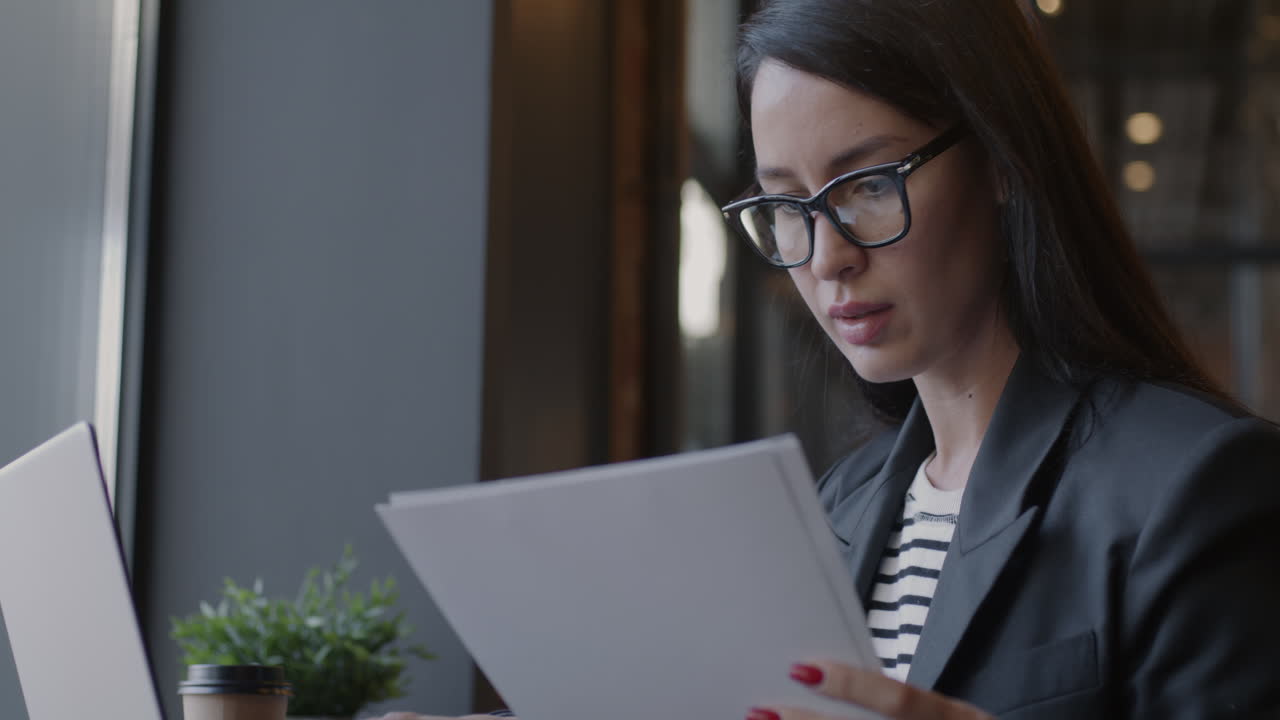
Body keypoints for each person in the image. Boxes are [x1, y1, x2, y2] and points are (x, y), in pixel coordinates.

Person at [378, 0, 1280, 718]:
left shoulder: (1193, 487)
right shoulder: (832, 510)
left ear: (1002, 158)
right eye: (786, 206)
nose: (826, 254)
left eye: (868, 185)